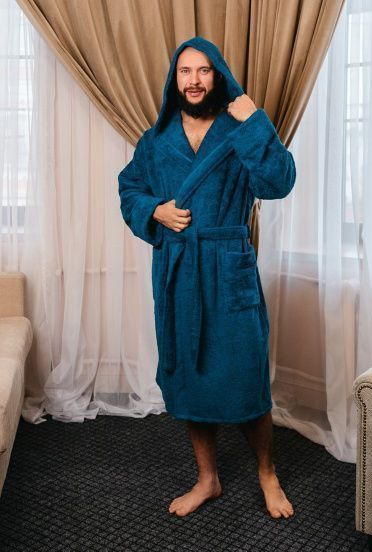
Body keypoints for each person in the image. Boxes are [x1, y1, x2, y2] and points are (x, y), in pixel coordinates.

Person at [118, 36, 296, 519]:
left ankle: (267, 473)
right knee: (190, 378)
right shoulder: (156, 140)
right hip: (179, 272)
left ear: (217, 75)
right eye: (185, 71)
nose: (193, 80)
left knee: (246, 378)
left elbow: (279, 182)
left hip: (228, 265)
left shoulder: (239, 128)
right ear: (174, 79)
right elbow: (129, 188)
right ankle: (207, 478)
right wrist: (154, 210)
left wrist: (255, 122)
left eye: (203, 71)